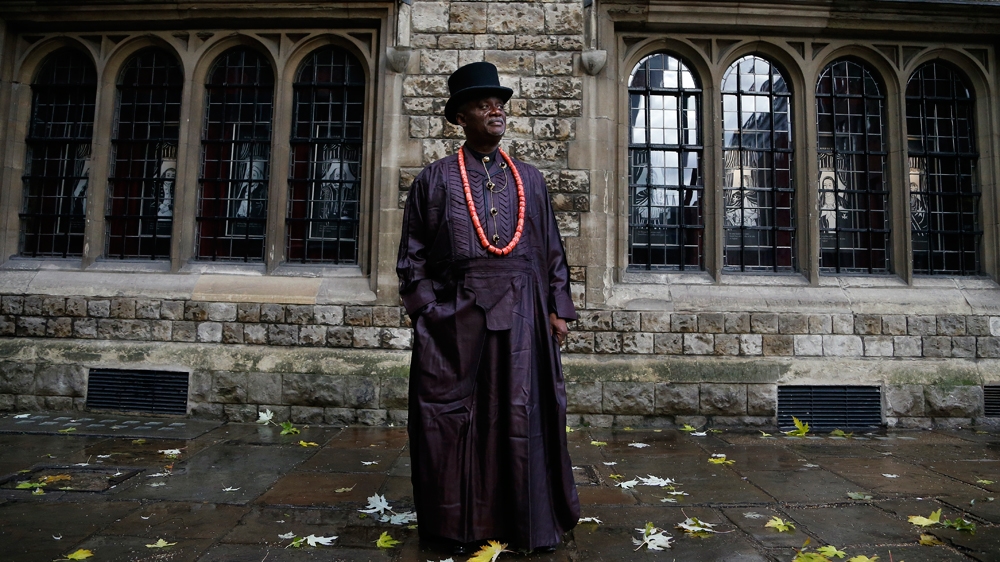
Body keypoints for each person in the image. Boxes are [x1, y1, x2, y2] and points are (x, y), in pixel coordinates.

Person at [396, 61, 580, 555]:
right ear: (459, 117)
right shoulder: (433, 181)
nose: (495, 110)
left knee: (522, 416)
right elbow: (411, 257)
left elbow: (552, 251)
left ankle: (525, 524)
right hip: (456, 320)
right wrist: (428, 312)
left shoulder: (531, 180)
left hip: (524, 318)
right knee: (455, 422)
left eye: (499, 104)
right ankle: (460, 528)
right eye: (482, 104)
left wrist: (556, 309)